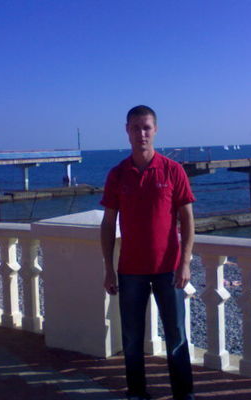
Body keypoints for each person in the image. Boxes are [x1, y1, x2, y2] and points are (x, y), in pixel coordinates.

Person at [100, 105, 196, 400]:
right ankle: (137, 393)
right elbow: (108, 223)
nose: (141, 133)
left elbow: (188, 220)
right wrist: (109, 268)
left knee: (176, 336)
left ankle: (184, 394)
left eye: (146, 127)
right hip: (130, 270)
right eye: (135, 127)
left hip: (169, 269)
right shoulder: (118, 174)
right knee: (131, 338)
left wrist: (185, 262)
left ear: (155, 130)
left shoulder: (173, 170)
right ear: (127, 131)